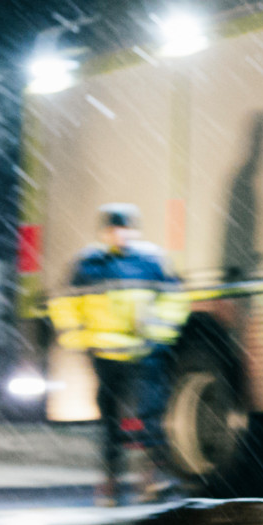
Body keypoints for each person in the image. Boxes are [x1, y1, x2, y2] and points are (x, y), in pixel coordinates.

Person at [59, 204, 186, 502]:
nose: (121, 234)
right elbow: (65, 305)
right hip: (105, 356)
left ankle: (151, 481)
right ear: (105, 233)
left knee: (151, 417)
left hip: (144, 353)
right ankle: (111, 484)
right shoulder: (88, 264)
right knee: (110, 423)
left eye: (126, 228)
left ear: (135, 231)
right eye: (115, 229)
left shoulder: (150, 261)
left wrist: (158, 334)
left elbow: (174, 299)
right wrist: (80, 338)